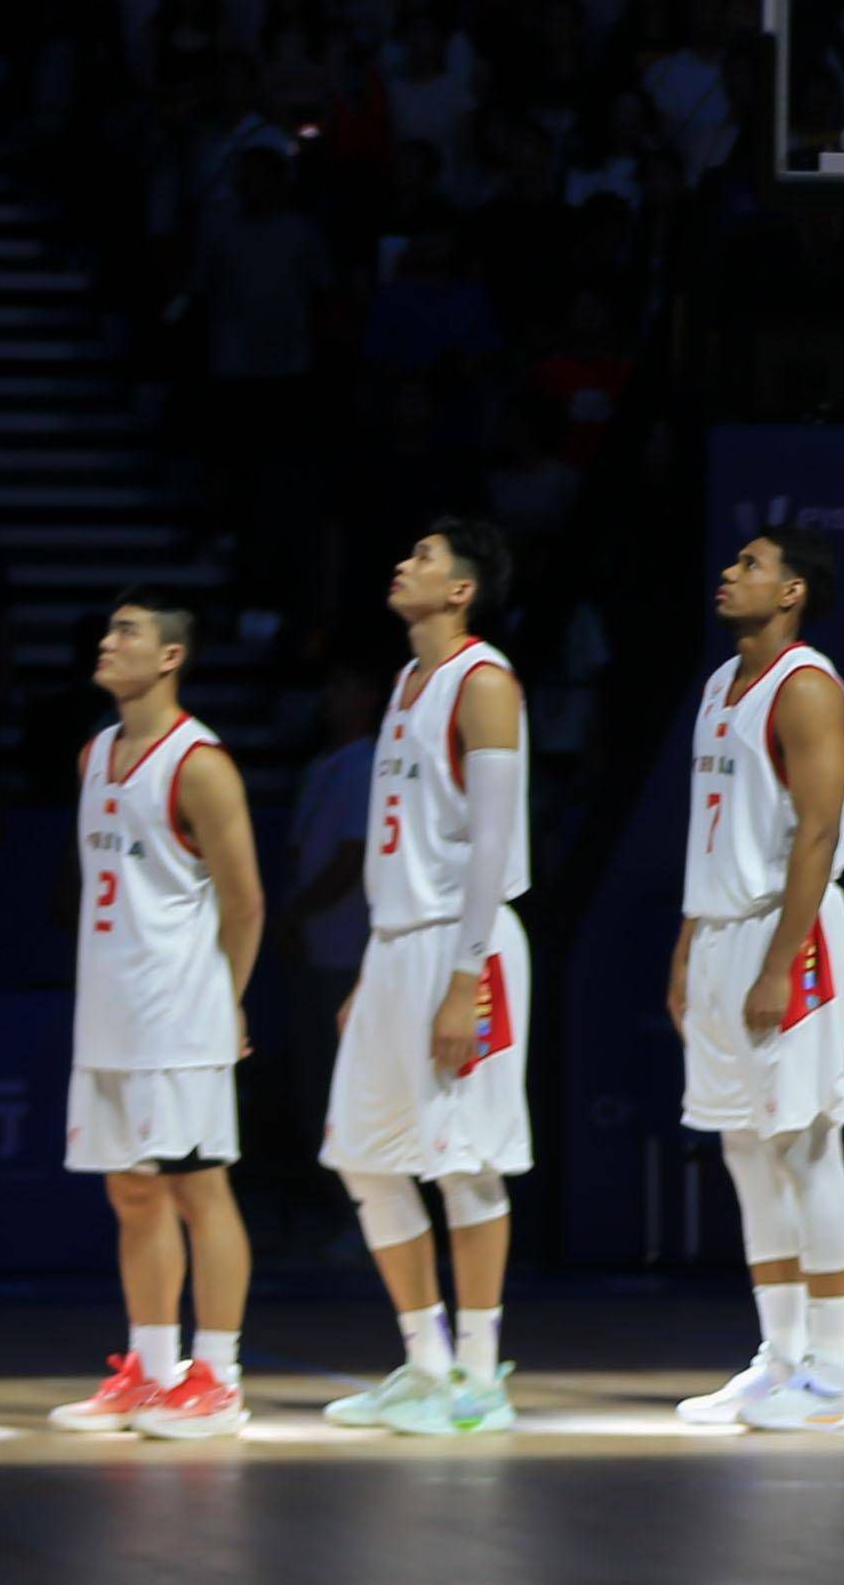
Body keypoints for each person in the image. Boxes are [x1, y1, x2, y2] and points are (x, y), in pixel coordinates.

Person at [320, 520, 535, 1437]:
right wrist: (378, 971)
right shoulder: (407, 683)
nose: (403, 562)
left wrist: (461, 977)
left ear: (462, 590)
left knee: (466, 1160)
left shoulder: (482, 681)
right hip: (397, 943)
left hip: (466, 942)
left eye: (424, 557)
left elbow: (492, 842)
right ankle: (425, 1361)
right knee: (367, 1158)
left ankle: (481, 1381)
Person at [50, 590, 264, 1440]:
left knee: (196, 1185)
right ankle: (151, 1367)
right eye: (107, 628)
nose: (107, 642)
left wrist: (225, 1002)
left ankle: (217, 1376)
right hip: (108, 1009)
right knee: (131, 1192)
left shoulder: (200, 762)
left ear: (170, 655)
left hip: (179, 1010)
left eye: (126, 632)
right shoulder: (95, 753)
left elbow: (246, 904)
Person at [666, 528, 844, 1431]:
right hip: (720, 927)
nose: (728, 571)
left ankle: (833, 1371)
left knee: (807, 1141)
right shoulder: (720, 684)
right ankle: (778, 1356)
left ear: (791, 592)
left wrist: (781, 958)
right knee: (746, 1149)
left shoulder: (808, 684)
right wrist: (688, 943)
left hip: (793, 931)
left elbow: (817, 833)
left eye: (750, 564)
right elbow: (713, 828)